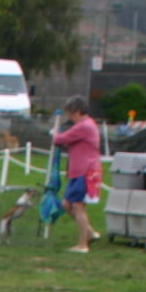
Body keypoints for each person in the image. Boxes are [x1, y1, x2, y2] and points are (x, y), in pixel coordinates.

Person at [54, 95, 103, 252]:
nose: (70, 117)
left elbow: (61, 139)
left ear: (79, 111)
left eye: (71, 114)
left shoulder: (85, 126)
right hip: (77, 171)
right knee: (66, 204)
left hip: (86, 171)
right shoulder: (85, 126)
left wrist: (55, 134)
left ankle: (83, 245)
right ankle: (89, 232)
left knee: (78, 206)